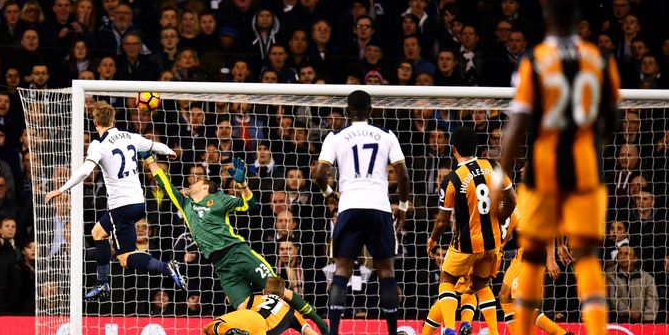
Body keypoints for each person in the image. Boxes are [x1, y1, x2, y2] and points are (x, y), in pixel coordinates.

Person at [496, 0, 621, 335]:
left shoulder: (534, 60)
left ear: (547, 20)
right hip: (586, 170)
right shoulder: (600, 58)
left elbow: (517, 126)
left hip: (543, 169)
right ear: (578, 21)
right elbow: (612, 121)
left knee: (533, 257)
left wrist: (500, 178)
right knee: (587, 260)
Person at [147, 157, 329, 333]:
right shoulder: (185, 204)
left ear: (205, 186)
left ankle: (319, 325)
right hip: (221, 267)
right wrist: (148, 158)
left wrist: (243, 185)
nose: (190, 183)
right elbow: (164, 182)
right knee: (244, 309)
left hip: (238, 253)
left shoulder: (219, 198)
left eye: (195, 181)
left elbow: (250, 205)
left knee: (276, 290)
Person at [44, 101, 185, 301]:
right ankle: (103, 283)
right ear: (113, 119)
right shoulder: (130, 136)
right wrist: (170, 152)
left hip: (122, 206)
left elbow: (85, 171)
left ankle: (161, 268)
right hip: (138, 202)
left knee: (120, 253)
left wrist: (60, 189)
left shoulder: (98, 144)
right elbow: (156, 147)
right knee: (104, 239)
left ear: (94, 123)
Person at [312, 89, 411, 335]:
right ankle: (391, 331)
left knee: (342, 270)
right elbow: (403, 175)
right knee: (386, 271)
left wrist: (330, 194)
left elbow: (318, 175)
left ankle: (333, 331)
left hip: (350, 206)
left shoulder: (335, 136)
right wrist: (404, 206)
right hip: (379, 207)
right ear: (371, 110)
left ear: (347, 112)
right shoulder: (387, 135)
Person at [427, 126, 513, 335]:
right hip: (492, 242)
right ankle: (493, 331)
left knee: (447, 280)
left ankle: (448, 328)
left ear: (453, 149)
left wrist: (432, 240)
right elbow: (512, 200)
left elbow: (442, 220)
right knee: (481, 285)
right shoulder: (494, 165)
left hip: (466, 244)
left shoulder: (453, 179)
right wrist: (501, 217)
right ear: (476, 147)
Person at [202, 276, 319, 335]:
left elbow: (240, 314)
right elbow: (310, 332)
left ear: (264, 292)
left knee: (208, 329)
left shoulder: (253, 298)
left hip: (248, 316)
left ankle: (229, 331)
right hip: (262, 329)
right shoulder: (292, 312)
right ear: (283, 296)